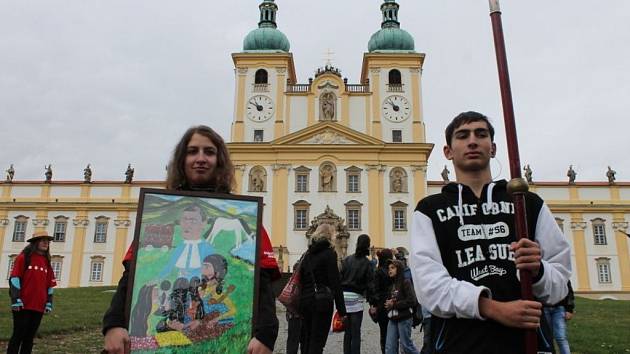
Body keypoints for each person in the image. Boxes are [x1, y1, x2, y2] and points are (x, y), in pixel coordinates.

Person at [102, 125, 280, 354]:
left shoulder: (245, 213)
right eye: (193, 151)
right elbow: (131, 276)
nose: (200, 158)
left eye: (209, 152)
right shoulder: (153, 217)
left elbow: (263, 283)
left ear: (220, 160)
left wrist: (265, 335)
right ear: (181, 159)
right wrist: (114, 323)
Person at [409, 111, 572, 354]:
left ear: (493, 148)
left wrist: (538, 271)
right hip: (458, 344)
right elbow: (429, 287)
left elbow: (560, 285)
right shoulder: (429, 210)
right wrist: (493, 308)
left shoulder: (527, 203)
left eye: (480, 134)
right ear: (448, 151)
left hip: (526, 343)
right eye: (463, 136)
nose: (472, 141)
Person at [299, 223, 346, 354]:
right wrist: (342, 311)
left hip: (305, 301)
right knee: (317, 342)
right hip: (321, 302)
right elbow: (335, 283)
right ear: (331, 236)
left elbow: (301, 278)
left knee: (306, 340)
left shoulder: (307, 254)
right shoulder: (329, 254)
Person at [7, 231, 57, 354]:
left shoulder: (47, 262)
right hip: (22, 305)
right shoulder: (23, 258)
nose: (46, 243)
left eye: (47, 241)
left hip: (39, 306)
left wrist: (49, 302)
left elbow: (49, 285)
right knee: (18, 335)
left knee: (29, 338)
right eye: (42, 240)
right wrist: (15, 299)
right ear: (35, 242)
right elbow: (14, 278)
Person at [340, 234, 374, 354]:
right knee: (356, 333)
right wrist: (372, 303)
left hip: (344, 298)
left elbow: (340, 278)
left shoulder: (347, 260)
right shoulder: (368, 263)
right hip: (356, 298)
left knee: (347, 332)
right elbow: (370, 285)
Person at [385, 260, 420, 354]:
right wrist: (388, 304)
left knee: (406, 346)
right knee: (390, 347)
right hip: (392, 318)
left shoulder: (406, 282)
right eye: (389, 268)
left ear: (399, 269)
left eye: (393, 268)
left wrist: (394, 304)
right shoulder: (392, 284)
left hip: (404, 318)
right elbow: (393, 300)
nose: (390, 270)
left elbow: (412, 301)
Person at [369, 248, 393, 354]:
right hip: (393, 302)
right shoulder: (392, 271)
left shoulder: (378, 271)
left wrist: (374, 304)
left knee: (384, 332)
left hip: (382, 305)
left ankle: (385, 351)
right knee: (394, 333)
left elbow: (374, 290)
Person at [544, 281, 575, 354]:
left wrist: (569, 309)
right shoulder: (542, 270)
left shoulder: (561, 271)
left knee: (561, 338)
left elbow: (569, 291)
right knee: (547, 338)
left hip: (559, 308)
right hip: (544, 308)